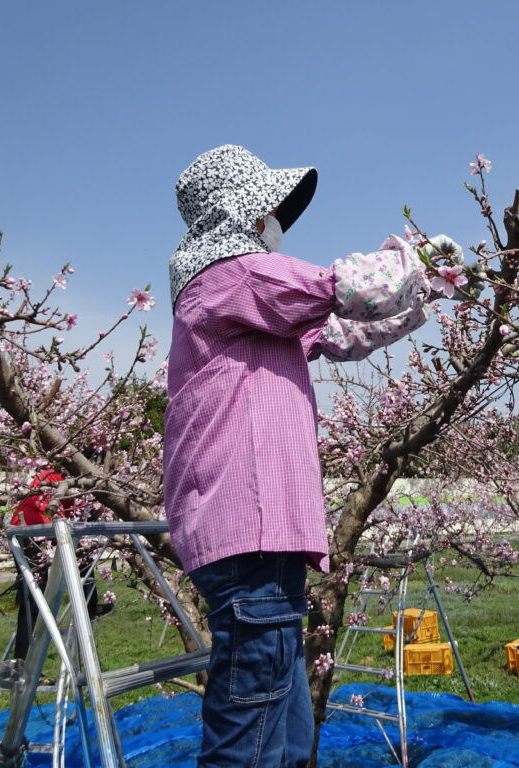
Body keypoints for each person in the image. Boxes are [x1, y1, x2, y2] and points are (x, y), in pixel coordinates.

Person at [164, 145, 447, 768]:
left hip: (263, 538)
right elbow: (341, 289)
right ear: (241, 212)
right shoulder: (229, 275)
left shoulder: (246, 299)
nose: (277, 225)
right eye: (269, 210)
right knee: (252, 728)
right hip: (249, 532)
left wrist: (426, 290)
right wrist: (411, 258)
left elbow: (344, 332)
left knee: (283, 723)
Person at [10, 467, 108, 663]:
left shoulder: (75, 482)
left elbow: (80, 512)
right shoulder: (49, 477)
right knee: (35, 595)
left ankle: (90, 606)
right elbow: (48, 510)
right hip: (29, 532)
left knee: (85, 557)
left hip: (49, 532)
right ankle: (23, 660)